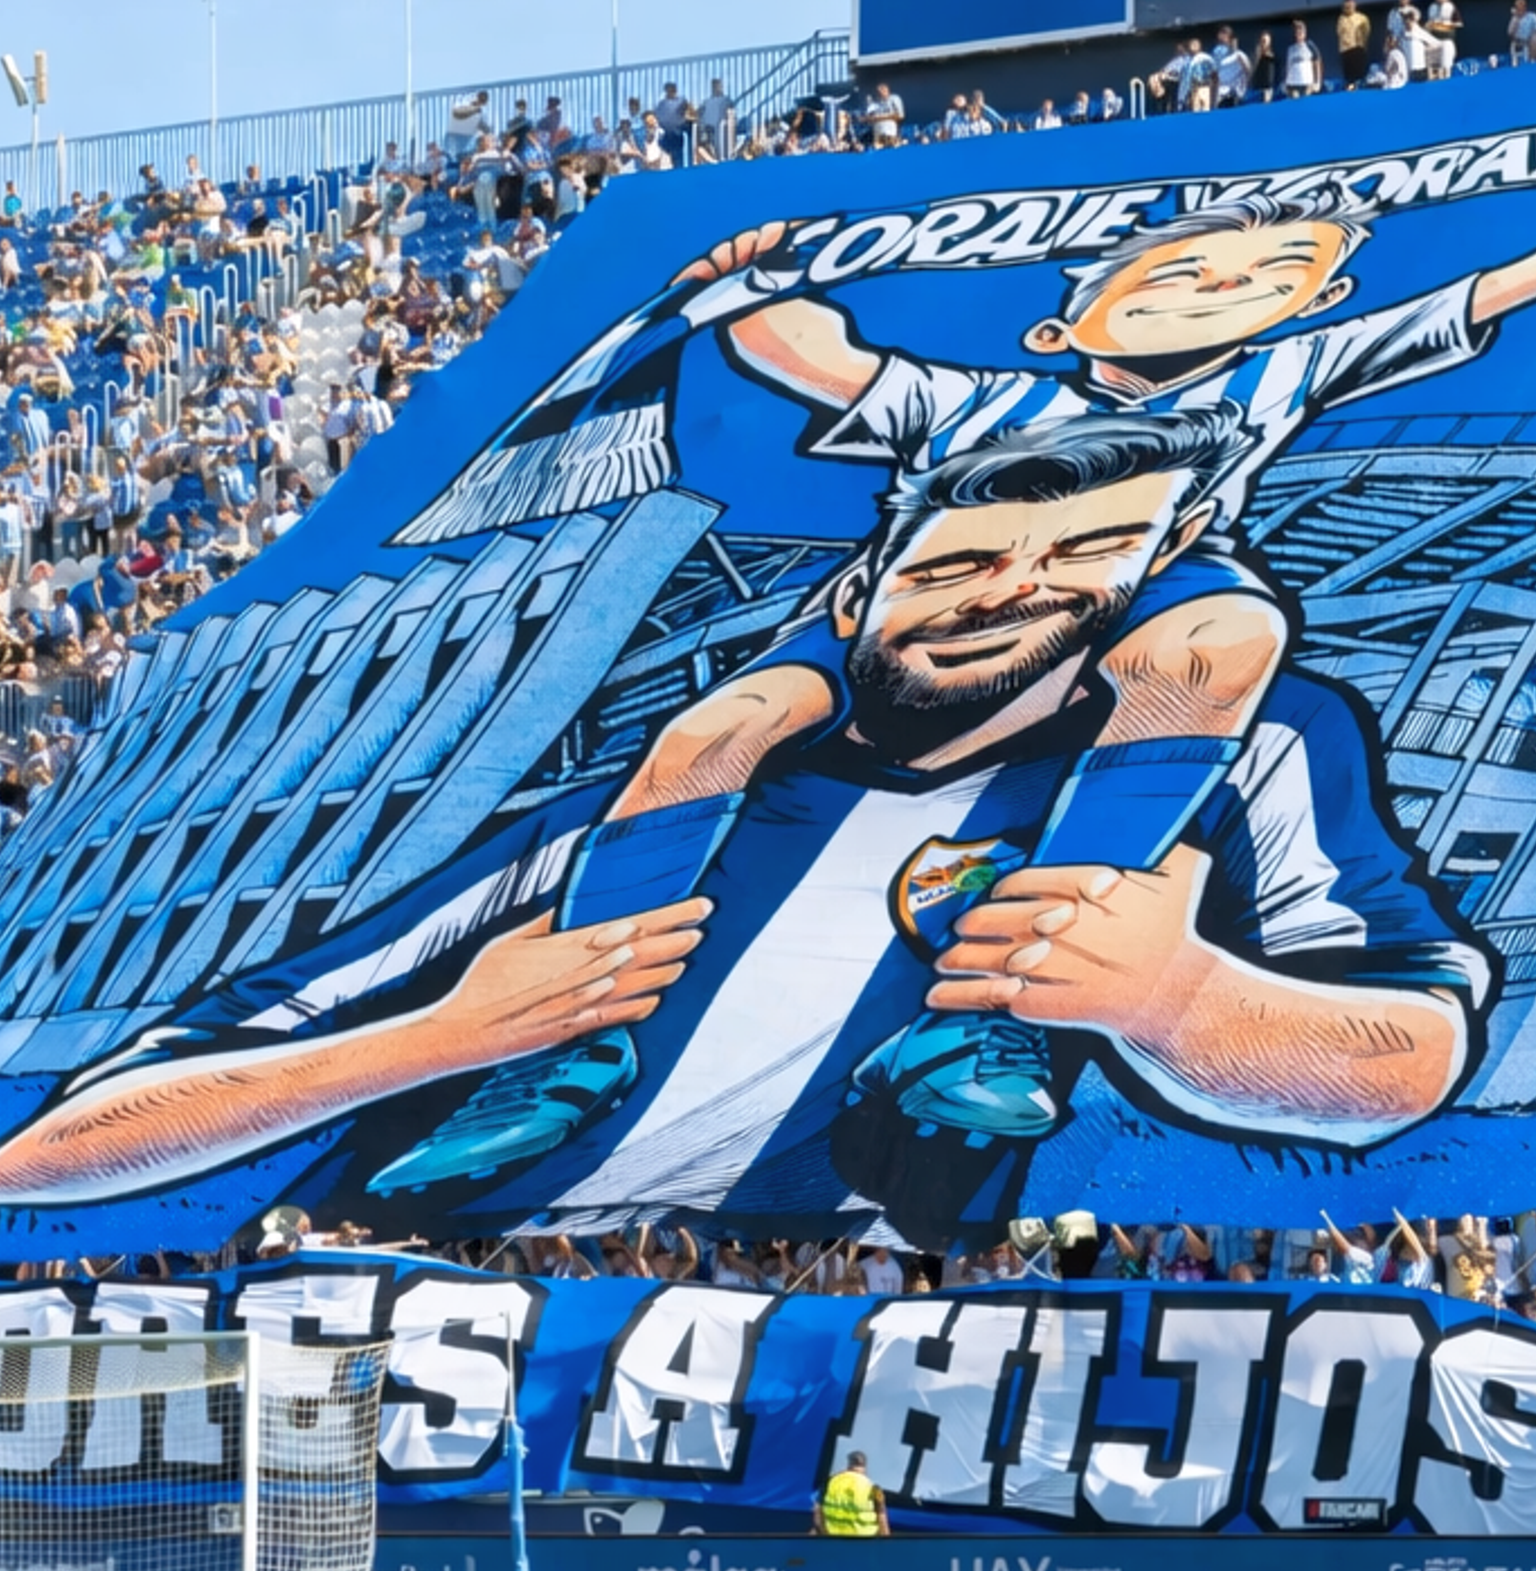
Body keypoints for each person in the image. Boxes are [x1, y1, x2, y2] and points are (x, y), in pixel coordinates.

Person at [0, 412, 1487, 1241]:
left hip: (871, 1334)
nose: (1008, 588)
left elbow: (1413, 1060)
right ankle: (564, 1066)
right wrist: (432, 1042)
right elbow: (46, 1153)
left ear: (1149, 581)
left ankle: (986, 1045)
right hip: (473, 1320)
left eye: (1090, 555)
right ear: (862, 595)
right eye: (955, 565)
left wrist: (1183, 1002)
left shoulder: (1255, 751)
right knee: (708, 736)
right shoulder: (635, 806)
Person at [813, 1450, 889, 1537]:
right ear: (865, 1466)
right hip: (863, 1542)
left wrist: (825, 1536)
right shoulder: (874, 1488)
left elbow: (817, 1516)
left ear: (849, 1465)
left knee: (813, 1532)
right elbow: (882, 1522)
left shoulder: (830, 1483)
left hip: (833, 1538)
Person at [1425, 0, 1462, 78]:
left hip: (1447, 39)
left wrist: (1443, 25)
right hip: (1434, 41)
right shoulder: (1432, 8)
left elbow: (1459, 23)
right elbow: (1428, 25)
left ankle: (1446, 72)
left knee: (1447, 49)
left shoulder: (1451, 7)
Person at [1336, 0, 1372, 89]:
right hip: (1347, 50)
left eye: (1350, 5)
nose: (1348, 8)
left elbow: (1366, 31)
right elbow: (1339, 33)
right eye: (1346, 6)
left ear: (1354, 5)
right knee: (1349, 76)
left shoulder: (1362, 18)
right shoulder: (1341, 19)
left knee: (1360, 73)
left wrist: (1362, 43)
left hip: (1358, 49)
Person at [1283, 20, 1322, 97]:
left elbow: (1317, 63)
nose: (1299, 34)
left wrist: (1318, 82)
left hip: (1307, 82)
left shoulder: (1310, 45)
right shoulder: (1291, 49)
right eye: (1297, 32)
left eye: (1301, 32)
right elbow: (1288, 66)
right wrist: (1285, 83)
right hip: (1293, 83)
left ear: (1305, 33)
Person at [1249, 32, 1276, 102]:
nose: (1263, 43)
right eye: (1262, 41)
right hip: (1256, 89)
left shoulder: (1272, 56)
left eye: (1265, 41)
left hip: (1268, 88)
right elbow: (1252, 69)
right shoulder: (1255, 56)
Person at [1511, 0, 1536, 65]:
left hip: (1531, 38)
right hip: (1519, 41)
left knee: (1534, 39)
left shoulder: (1532, 16)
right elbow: (1510, 33)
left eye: (1522, 7)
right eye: (1518, 8)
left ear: (1525, 7)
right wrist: (1516, 20)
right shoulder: (1514, 19)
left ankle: (1533, 60)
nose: (1520, 9)